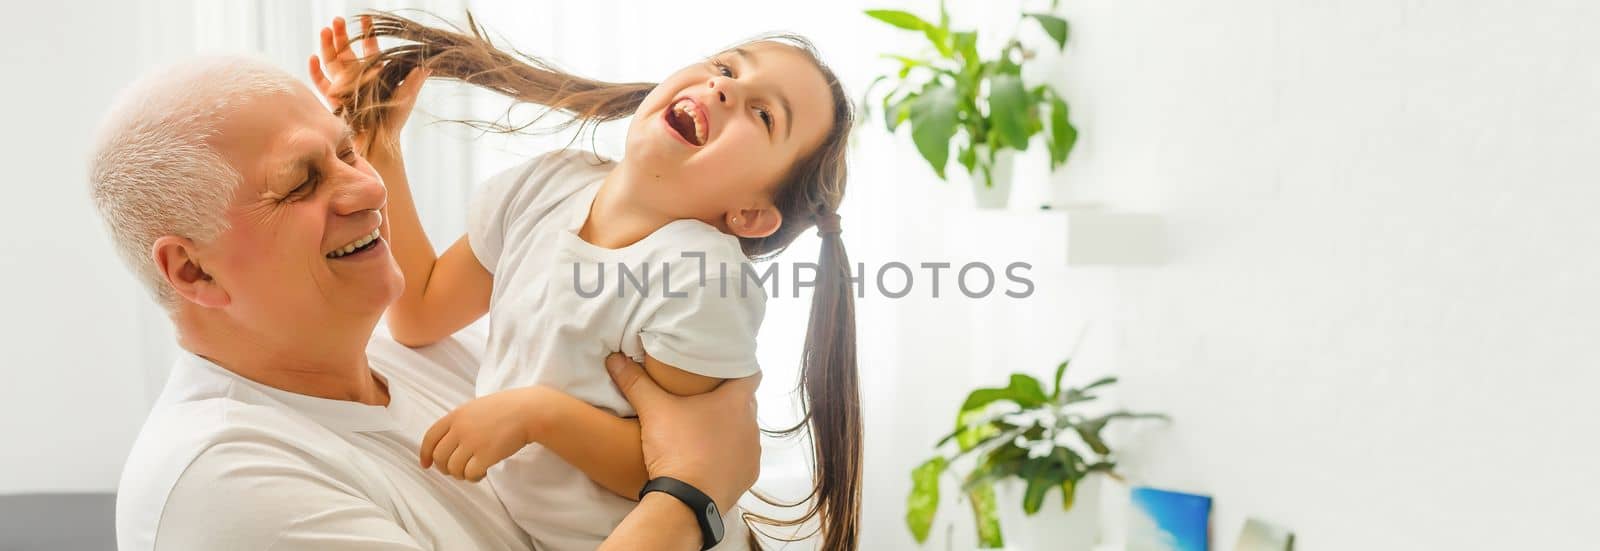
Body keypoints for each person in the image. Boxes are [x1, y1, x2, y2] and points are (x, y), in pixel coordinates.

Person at [90, 55, 760, 550]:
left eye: (348, 149)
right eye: (301, 182)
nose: (369, 190)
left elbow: (421, 309)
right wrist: (692, 495)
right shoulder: (223, 487)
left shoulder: (409, 355)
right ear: (192, 269)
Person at [309, 13, 861, 550]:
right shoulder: (546, 185)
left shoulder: (702, 279)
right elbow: (420, 312)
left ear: (750, 214)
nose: (722, 89)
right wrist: (377, 144)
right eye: (727, 68)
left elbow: (671, 466)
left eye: (764, 115)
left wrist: (537, 413)